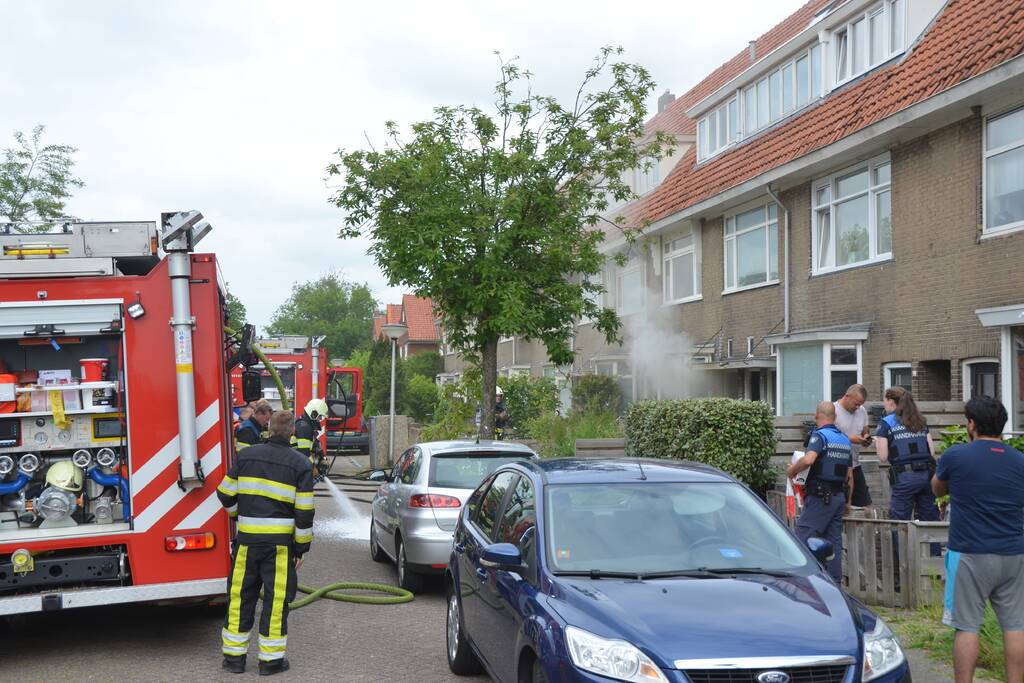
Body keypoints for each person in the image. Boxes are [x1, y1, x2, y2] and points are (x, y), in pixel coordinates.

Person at [933, 396, 1024, 683]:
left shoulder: (957, 456)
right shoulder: (1020, 460)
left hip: (970, 553)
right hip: (1014, 553)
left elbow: (936, 489)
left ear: (971, 424)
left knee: (967, 626)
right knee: (1016, 626)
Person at [217, 410, 315, 676]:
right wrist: (301, 548)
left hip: (247, 543)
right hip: (280, 548)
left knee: (239, 598)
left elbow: (224, 493)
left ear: (268, 430)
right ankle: (270, 662)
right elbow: (304, 512)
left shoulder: (246, 456)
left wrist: (239, 515)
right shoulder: (301, 464)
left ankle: (234, 660)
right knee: (275, 601)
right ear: (292, 432)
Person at [787, 401, 853, 583]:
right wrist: (847, 502)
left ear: (817, 417)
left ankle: (799, 581)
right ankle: (834, 584)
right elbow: (849, 475)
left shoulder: (820, 436)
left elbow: (808, 460)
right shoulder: (845, 440)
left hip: (820, 497)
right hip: (839, 497)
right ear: (835, 417)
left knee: (801, 537)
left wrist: (792, 470)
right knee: (833, 543)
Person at [876, 386, 939, 523]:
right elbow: (931, 451)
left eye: (884, 401)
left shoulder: (886, 423)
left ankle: (901, 546)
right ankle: (933, 545)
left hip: (905, 477)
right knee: (930, 521)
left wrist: (878, 441)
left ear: (891, 401)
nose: (884, 405)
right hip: (927, 476)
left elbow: (882, 457)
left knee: (900, 523)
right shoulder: (920, 420)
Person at [834, 384, 873, 510]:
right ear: (847, 396)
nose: (857, 407)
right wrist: (850, 439)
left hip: (855, 464)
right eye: (856, 404)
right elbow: (828, 436)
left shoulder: (862, 410)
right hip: (837, 465)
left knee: (866, 506)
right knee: (844, 507)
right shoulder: (833, 410)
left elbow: (865, 430)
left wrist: (866, 437)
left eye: (860, 404)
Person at [293, 398, 329, 478]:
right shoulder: (303, 427)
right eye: (320, 417)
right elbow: (304, 451)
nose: (320, 420)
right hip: (294, 464)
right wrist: (312, 468)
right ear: (313, 413)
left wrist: (323, 458)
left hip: (298, 461)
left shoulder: (307, 425)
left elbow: (315, 446)